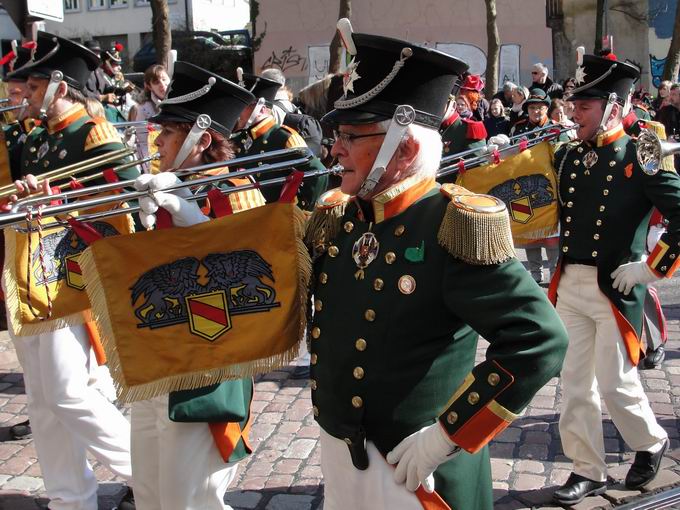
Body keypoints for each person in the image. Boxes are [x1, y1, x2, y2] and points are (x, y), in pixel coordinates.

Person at [302, 25, 568, 510]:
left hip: (415, 471)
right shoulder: (339, 214)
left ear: (402, 150)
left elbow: (540, 340)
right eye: (336, 134)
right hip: (341, 449)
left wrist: (445, 436)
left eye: (349, 136)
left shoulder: (452, 224)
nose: (334, 149)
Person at [4, 32, 136, 510]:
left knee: (66, 392)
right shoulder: (41, 138)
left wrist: (60, 199)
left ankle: (146, 471)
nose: (27, 97)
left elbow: (127, 203)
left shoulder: (93, 132)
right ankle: (69, 497)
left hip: (74, 279)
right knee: (42, 401)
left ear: (62, 87)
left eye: (35, 88)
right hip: (35, 275)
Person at [130, 61, 263, 510]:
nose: (156, 143)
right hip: (156, 361)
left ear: (201, 140)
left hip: (206, 368)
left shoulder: (236, 190)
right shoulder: (166, 186)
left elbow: (257, 286)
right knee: (150, 492)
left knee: (192, 501)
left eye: (165, 135)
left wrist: (195, 221)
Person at [550, 52, 679, 506]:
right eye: (573, 104)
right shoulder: (567, 155)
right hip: (570, 284)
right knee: (574, 382)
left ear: (611, 106)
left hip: (615, 286)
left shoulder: (640, 153)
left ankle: (650, 441)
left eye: (584, 105)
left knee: (614, 381)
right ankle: (588, 469)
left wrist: (649, 268)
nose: (574, 112)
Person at [232, 71, 328, 210]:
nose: (238, 111)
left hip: (279, 220)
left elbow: (318, 173)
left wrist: (300, 210)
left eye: (245, 106)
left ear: (261, 109)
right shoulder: (241, 139)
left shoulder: (284, 137)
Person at [129, 64, 170, 169]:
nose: (162, 84)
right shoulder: (144, 109)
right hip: (157, 156)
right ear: (149, 86)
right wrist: (149, 166)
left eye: (164, 79)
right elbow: (143, 141)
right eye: (156, 82)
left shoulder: (183, 99)